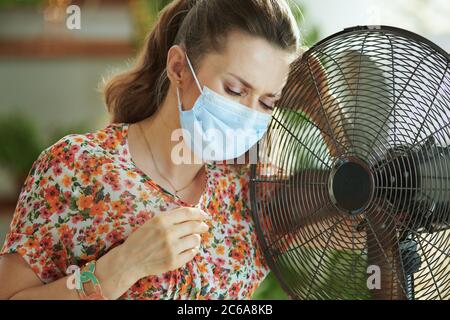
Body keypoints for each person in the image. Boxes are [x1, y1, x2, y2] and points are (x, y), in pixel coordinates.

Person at [0, 0, 300, 299]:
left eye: (267, 103)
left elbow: (348, 223)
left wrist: (329, 108)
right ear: (178, 67)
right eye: (234, 90)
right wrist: (122, 266)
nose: (249, 114)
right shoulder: (76, 166)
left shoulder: (254, 193)